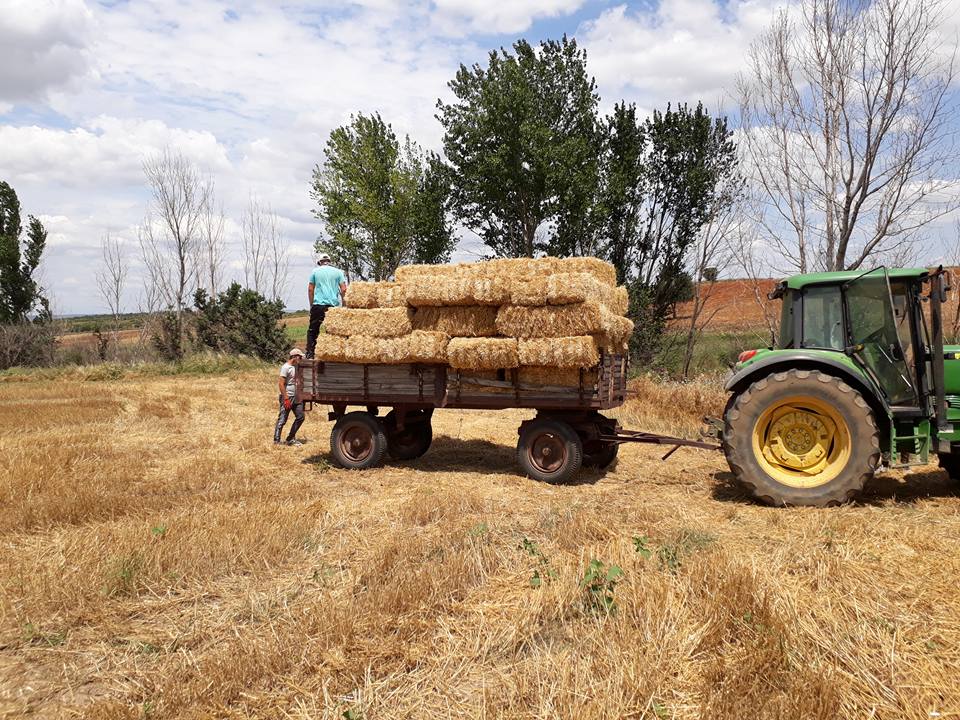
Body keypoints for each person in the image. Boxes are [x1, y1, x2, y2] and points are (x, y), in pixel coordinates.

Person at [305, 252, 347, 359]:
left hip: (318, 305)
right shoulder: (338, 272)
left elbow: (310, 289)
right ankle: (333, 353)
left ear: (320, 262)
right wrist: (344, 305)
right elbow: (344, 289)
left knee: (313, 330)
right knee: (333, 331)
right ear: (329, 262)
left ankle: (310, 353)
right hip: (333, 306)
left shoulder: (315, 271)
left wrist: (311, 305)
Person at [275, 348, 306, 446]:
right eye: (300, 357)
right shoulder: (285, 367)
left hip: (297, 397)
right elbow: (281, 384)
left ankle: (290, 438)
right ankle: (276, 440)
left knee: (300, 417)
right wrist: (286, 398)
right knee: (282, 419)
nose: (301, 358)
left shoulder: (297, 366)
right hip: (288, 396)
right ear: (294, 357)